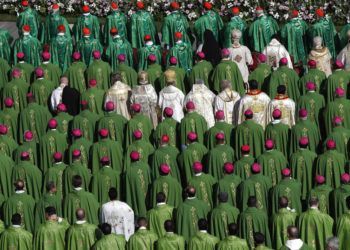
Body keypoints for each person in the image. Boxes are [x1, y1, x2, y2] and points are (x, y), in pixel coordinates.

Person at [289, 137, 318, 202]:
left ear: (299, 144)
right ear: (307, 145)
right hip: (309, 184)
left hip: (296, 187)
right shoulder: (313, 155)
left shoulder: (293, 156)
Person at [125, 151, 151, 217]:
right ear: (139, 157)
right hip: (148, 195)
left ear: (130, 159)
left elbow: (128, 188)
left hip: (136, 199)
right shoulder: (146, 166)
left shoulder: (129, 170)